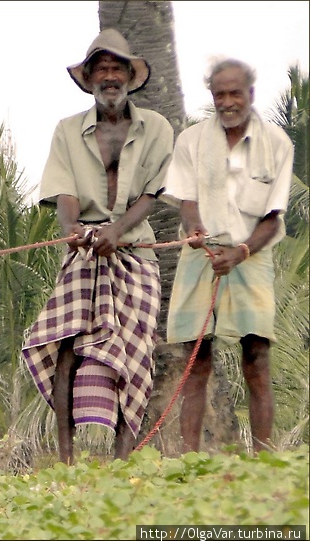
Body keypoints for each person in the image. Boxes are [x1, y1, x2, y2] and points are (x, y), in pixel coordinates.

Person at [21, 29, 174, 465]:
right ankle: (67, 460)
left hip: (136, 252)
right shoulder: (67, 131)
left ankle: (121, 461)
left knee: (136, 352)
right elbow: (64, 193)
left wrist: (117, 231)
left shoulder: (156, 128)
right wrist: (75, 232)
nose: (110, 76)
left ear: (130, 76)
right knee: (65, 345)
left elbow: (153, 192)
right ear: (88, 78)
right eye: (101, 68)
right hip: (84, 250)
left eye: (117, 68)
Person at [161, 58, 293, 454]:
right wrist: (195, 230)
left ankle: (265, 457)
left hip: (251, 255)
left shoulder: (277, 144)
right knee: (194, 358)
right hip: (201, 255)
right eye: (220, 94)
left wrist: (240, 252)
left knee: (256, 355)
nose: (228, 102)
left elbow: (273, 218)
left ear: (251, 94)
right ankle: (189, 458)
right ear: (212, 97)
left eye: (235, 93)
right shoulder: (191, 141)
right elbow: (187, 202)